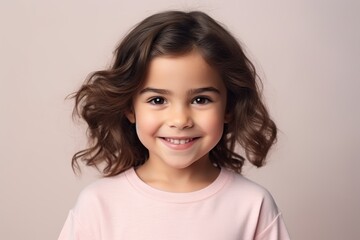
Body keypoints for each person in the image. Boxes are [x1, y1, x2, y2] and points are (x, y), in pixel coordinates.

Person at [58, 10, 290, 240]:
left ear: (229, 107)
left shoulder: (253, 206)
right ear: (130, 108)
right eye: (157, 100)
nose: (180, 120)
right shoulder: (99, 205)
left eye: (201, 100)